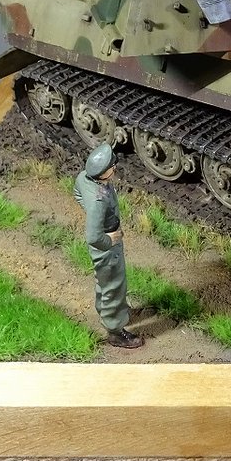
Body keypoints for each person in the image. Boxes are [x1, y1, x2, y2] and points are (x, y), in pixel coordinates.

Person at [73, 142, 143, 348]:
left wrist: (93, 214)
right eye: (112, 166)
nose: (115, 168)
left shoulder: (85, 178)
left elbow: (77, 192)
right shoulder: (98, 201)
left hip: (105, 240)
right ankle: (115, 330)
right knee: (114, 285)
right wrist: (110, 239)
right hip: (107, 248)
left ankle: (106, 311)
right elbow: (93, 237)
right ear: (104, 172)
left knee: (103, 281)